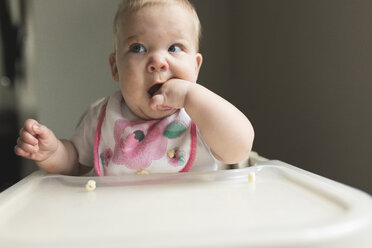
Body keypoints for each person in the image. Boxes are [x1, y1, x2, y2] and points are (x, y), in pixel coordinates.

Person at [14, 0, 254, 176]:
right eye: (139, 48)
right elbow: (76, 163)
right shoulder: (102, 116)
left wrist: (192, 96)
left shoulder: (201, 115)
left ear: (196, 66)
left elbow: (240, 147)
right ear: (115, 67)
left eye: (174, 48)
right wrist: (53, 152)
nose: (159, 62)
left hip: (193, 226)